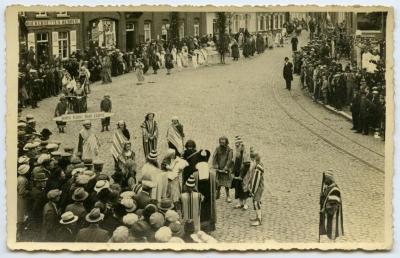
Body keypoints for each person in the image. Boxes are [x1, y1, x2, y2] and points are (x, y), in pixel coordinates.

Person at [192, 149, 217, 232]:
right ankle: (208, 228)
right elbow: (216, 184)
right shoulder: (212, 175)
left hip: (199, 197)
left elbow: (191, 185)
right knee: (208, 211)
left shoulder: (195, 175)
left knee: (200, 211)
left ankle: (199, 227)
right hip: (209, 197)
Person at [231, 136, 251, 210]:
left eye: (238, 145)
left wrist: (241, 175)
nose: (237, 147)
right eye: (236, 145)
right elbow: (234, 163)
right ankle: (240, 202)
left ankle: (245, 203)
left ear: (242, 145)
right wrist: (233, 172)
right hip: (237, 173)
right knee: (238, 187)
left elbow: (247, 165)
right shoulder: (237, 153)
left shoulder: (245, 154)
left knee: (244, 188)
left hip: (244, 174)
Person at [212, 136, 233, 203]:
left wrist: (226, 167)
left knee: (226, 184)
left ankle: (228, 196)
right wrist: (216, 165)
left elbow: (230, 160)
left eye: (223, 142)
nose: (222, 144)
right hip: (219, 169)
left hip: (225, 170)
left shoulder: (229, 150)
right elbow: (214, 157)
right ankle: (217, 194)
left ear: (226, 142)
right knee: (218, 183)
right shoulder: (217, 149)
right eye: (221, 142)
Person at [248, 154, 264, 226]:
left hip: (258, 188)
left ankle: (259, 219)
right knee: (255, 202)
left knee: (256, 203)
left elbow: (256, 181)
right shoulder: (256, 166)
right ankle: (257, 216)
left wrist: (252, 191)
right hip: (258, 187)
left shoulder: (258, 168)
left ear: (255, 160)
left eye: (252, 160)